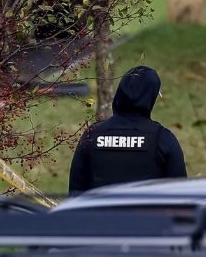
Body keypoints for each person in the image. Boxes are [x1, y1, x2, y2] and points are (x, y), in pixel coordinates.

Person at [68, 66, 186, 194]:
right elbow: (179, 194)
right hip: (147, 207)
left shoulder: (92, 135)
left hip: (99, 207)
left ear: (120, 93)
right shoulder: (163, 138)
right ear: (150, 97)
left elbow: (75, 192)